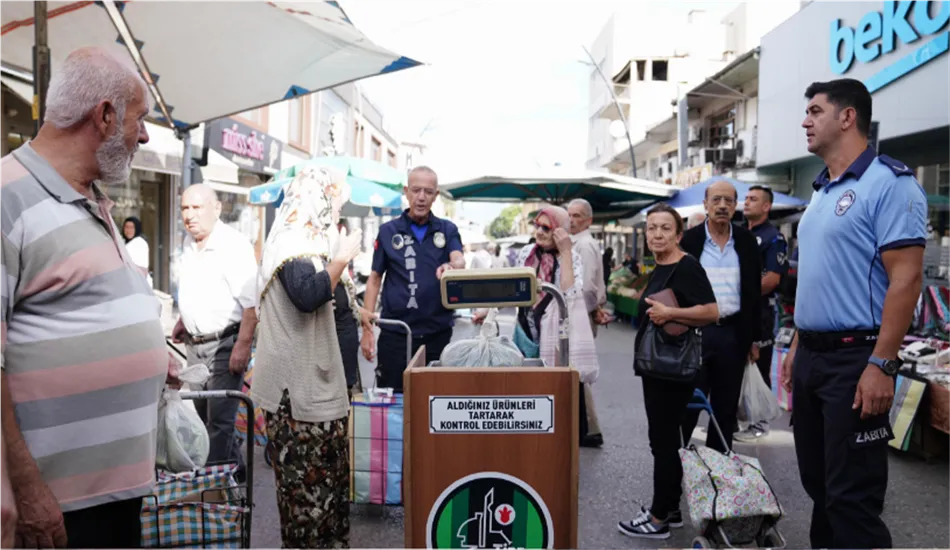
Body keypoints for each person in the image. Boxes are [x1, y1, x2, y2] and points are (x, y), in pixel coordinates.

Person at [0, 46, 179, 548]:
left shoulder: (91, 196)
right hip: (54, 505)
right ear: (102, 116)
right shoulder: (6, 196)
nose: (144, 135)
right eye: (139, 120)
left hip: (111, 497)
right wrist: (27, 487)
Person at [782, 78, 927, 549]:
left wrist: (882, 364)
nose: (805, 120)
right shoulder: (821, 191)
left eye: (816, 111)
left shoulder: (890, 183)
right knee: (818, 485)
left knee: (851, 496)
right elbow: (819, 277)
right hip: (812, 358)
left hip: (855, 360)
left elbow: (905, 280)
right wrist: (797, 344)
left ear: (847, 117)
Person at [251, 166, 363, 548]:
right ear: (318, 197)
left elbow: (332, 302)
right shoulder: (293, 241)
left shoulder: (311, 241)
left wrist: (361, 313)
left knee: (328, 501)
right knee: (308, 507)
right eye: (334, 204)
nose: (336, 214)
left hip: (322, 392)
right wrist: (342, 258)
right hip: (299, 399)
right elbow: (308, 295)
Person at [617, 203, 719, 540]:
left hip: (673, 368)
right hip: (659, 367)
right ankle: (671, 509)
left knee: (664, 443)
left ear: (678, 234)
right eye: (651, 228)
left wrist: (667, 314)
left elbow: (711, 312)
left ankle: (659, 518)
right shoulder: (660, 265)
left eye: (665, 228)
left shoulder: (686, 267)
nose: (657, 234)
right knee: (665, 440)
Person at [476, 207, 597, 441]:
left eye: (546, 227)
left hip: (557, 335)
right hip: (527, 329)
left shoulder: (572, 256)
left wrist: (566, 253)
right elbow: (514, 287)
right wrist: (487, 309)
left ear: (560, 230)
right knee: (528, 394)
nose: (539, 232)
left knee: (559, 398)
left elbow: (570, 293)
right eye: (537, 226)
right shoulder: (527, 253)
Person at [171, 184, 258, 467]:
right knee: (200, 418)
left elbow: (251, 305)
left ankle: (214, 496)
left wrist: (243, 346)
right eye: (185, 208)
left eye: (197, 208)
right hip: (195, 344)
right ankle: (235, 474)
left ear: (216, 209)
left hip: (225, 344)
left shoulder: (233, 244)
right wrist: (185, 319)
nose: (189, 215)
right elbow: (198, 288)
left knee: (219, 422)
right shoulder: (187, 242)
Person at [361, 166, 465, 391]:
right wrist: (367, 330)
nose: (421, 197)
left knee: (434, 400)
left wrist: (451, 265)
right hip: (396, 334)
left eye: (428, 192)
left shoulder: (447, 230)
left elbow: (459, 260)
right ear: (406, 192)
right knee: (394, 401)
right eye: (416, 190)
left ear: (436, 196)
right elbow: (375, 279)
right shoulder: (388, 231)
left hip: (437, 335)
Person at [679, 180, 762, 453]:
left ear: (735, 205)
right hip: (696, 333)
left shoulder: (747, 242)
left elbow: (753, 293)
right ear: (705, 204)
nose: (722, 206)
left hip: (733, 334)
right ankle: (679, 466)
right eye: (716, 200)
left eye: (728, 200)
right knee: (688, 404)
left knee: (725, 409)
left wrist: (754, 339)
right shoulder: (689, 241)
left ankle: (718, 468)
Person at [735, 185, 788, 441]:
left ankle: (759, 422)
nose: (746, 203)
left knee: (759, 364)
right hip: (736, 311)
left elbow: (772, 279)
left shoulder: (772, 238)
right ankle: (738, 419)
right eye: (745, 198)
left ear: (766, 206)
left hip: (761, 313)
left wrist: (740, 289)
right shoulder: (737, 234)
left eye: (753, 199)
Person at [567, 198, 608, 448]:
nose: (572, 220)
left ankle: (589, 428)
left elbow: (588, 288)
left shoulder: (583, 245)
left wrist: (589, 312)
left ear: (589, 220)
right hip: (582, 313)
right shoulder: (576, 242)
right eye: (569, 215)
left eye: (578, 216)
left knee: (579, 372)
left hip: (580, 314)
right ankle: (585, 426)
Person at [122, 216, 152, 287]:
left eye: (132, 227)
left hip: (138, 283)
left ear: (137, 229)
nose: (128, 230)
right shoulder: (123, 242)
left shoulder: (139, 242)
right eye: (126, 227)